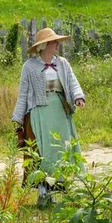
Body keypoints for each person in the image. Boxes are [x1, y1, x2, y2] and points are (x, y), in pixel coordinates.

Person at [12, 28, 86, 207]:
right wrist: (18, 118)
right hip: (40, 112)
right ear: (44, 45)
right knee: (43, 151)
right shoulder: (29, 66)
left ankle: (58, 186)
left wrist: (78, 96)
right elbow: (23, 94)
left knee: (60, 148)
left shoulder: (62, 63)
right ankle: (43, 190)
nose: (57, 45)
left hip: (60, 111)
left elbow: (72, 81)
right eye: (54, 42)